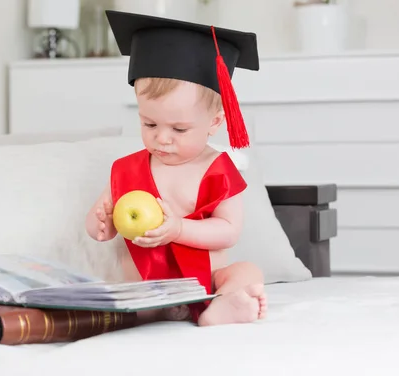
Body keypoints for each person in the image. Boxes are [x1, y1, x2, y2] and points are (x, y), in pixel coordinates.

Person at [85, 10, 267, 326]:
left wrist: (179, 229)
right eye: (149, 123)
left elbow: (228, 231)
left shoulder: (216, 168)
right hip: (145, 289)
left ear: (214, 122)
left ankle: (223, 306)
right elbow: (104, 222)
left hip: (204, 286)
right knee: (115, 292)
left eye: (179, 129)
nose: (162, 138)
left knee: (246, 272)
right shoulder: (126, 170)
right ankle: (137, 314)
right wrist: (100, 223)